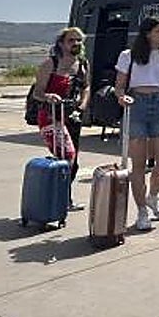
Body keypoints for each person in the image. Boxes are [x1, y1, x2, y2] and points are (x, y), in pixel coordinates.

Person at [114, 17, 159, 232]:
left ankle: (153, 197)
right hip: (136, 105)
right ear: (147, 33)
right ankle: (141, 210)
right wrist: (121, 97)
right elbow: (119, 86)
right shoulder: (129, 56)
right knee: (139, 165)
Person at [33, 27, 90, 208]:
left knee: (72, 162)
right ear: (61, 43)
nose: (76, 44)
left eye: (78, 40)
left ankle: (63, 199)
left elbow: (86, 87)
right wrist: (48, 96)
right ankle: (56, 199)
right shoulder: (50, 64)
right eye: (71, 40)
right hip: (51, 116)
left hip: (72, 116)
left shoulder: (82, 64)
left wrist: (82, 105)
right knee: (67, 156)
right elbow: (37, 93)